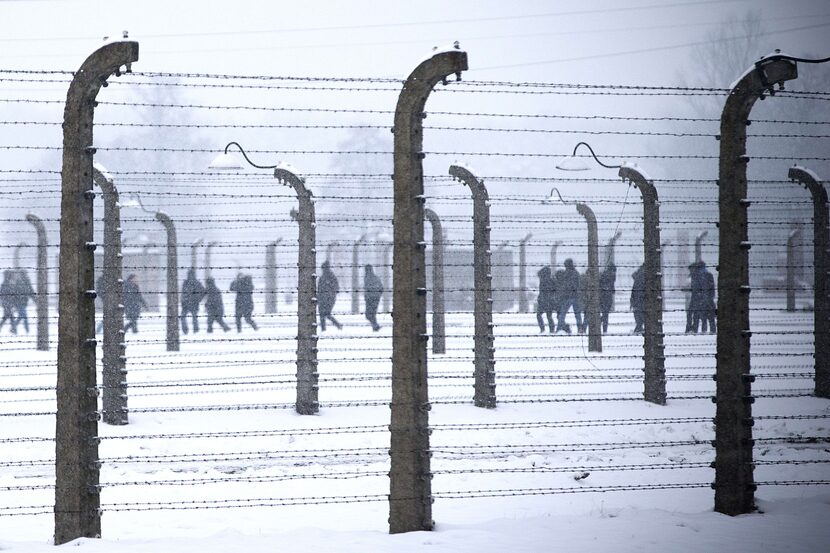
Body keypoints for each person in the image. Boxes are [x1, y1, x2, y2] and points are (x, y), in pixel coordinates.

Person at [555, 258, 581, 334]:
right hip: (575, 295)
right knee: (577, 314)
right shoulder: (576, 273)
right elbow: (578, 284)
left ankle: (559, 328)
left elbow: (563, 285)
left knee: (562, 314)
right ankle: (580, 329)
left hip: (567, 296)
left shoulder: (565, 273)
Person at [180, 268, 206, 334]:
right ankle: (195, 330)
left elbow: (183, 293)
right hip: (191, 303)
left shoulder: (188, 283)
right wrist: (198, 299)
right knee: (193, 317)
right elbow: (204, 292)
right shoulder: (195, 282)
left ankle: (187, 330)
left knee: (186, 317)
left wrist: (198, 299)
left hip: (188, 303)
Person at [318, 260, 342, 331]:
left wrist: (329, 290)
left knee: (326, 313)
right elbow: (319, 289)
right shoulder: (323, 278)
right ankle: (324, 329)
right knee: (323, 314)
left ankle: (336, 325)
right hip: (324, 298)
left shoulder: (330, 277)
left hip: (328, 299)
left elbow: (336, 288)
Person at [11, 269, 35, 334]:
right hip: (19, 303)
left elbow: (31, 292)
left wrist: (35, 299)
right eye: (24, 274)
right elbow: (15, 293)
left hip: (22, 302)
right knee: (24, 315)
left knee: (21, 316)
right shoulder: (20, 282)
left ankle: (13, 327)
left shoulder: (25, 282)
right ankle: (27, 331)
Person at [535, 266, 557, 333]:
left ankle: (542, 329)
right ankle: (551, 329)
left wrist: (540, 298)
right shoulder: (552, 280)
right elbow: (554, 291)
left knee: (539, 315)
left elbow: (542, 292)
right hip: (549, 301)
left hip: (544, 301)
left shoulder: (543, 281)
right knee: (548, 316)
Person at [363, 264, 383, 332]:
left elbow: (367, 289)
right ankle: (375, 326)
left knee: (369, 314)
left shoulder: (367, 278)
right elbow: (381, 288)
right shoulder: (375, 277)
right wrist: (378, 295)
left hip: (370, 298)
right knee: (372, 314)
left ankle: (375, 326)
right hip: (375, 298)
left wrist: (368, 296)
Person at [599, 263, 617, 334]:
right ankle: (604, 328)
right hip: (606, 297)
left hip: (604, 297)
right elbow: (610, 286)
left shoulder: (605, 275)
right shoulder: (610, 276)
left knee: (605, 313)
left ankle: (601, 324)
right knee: (605, 314)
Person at [630, 264, 645, 334]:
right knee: (641, 313)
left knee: (638, 313)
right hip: (642, 299)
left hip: (638, 299)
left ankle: (639, 327)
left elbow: (634, 291)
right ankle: (639, 327)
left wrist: (632, 301)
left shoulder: (638, 277)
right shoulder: (644, 276)